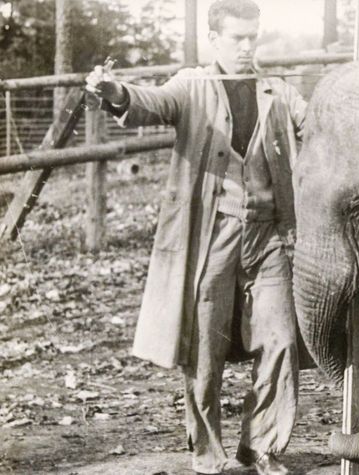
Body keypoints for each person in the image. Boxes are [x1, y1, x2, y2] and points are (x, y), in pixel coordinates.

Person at [85, 1, 307, 473]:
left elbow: (317, 123)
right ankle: (208, 453)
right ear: (215, 39)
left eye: (253, 37)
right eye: (237, 38)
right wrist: (114, 89)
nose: (247, 47)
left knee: (282, 337)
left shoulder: (279, 91)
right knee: (203, 345)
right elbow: (151, 102)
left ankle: (261, 446)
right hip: (213, 233)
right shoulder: (193, 85)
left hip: (269, 237)